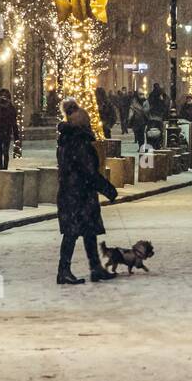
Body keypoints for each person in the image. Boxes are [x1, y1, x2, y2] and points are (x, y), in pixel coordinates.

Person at [55, 99, 119, 284]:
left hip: (72, 193)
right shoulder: (79, 143)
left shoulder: (66, 141)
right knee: (72, 233)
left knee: (87, 232)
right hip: (78, 194)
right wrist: (108, 189)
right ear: (83, 124)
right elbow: (88, 172)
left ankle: (95, 268)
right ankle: (64, 270)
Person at [0, 88, 20, 170]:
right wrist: (16, 137)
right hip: (7, 130)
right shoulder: (10, 106)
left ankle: (1, 168)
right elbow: (14, 122)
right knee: (5, 151)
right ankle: (5, 168)